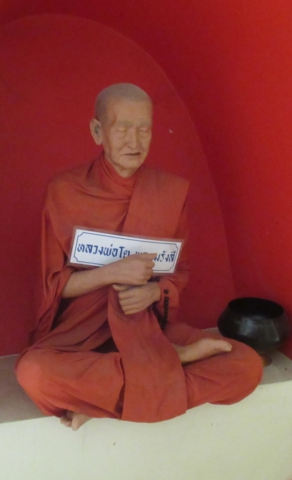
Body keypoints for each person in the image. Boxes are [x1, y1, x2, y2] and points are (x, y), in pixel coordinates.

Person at [16, 83, 263, 431]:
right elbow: (52, 286)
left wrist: (154, 292)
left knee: (246, 365)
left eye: (144, 129)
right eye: (122, 129)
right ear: (98, 131)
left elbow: (178, 272)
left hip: (148, 330)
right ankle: (168, 367)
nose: (135, 141)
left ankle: (102, 401)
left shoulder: (169, 192)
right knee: (34, 373)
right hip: (82, 337)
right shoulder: (65, 190)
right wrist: (111, 272)